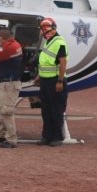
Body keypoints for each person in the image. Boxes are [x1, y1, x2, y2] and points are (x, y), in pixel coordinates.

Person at [35, 17, 68, 147]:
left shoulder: (59, 42)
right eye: (43, 28)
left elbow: (63, 63)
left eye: (46, 28)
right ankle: (47, 136)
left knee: (56, 110)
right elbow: (45, 62)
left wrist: (60, 81)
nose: (44, 31)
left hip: (55, 81)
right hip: (45, 80)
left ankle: (57, 137)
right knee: (46, 110)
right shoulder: (49, 42)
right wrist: (39, 76)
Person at [0, 28, 23, 148]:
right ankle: (3, 134)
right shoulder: (14, 44)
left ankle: (12, 139)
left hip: (9, 84)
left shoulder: (9, 48)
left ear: (1, 38)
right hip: (3, 83)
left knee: (6, 111)